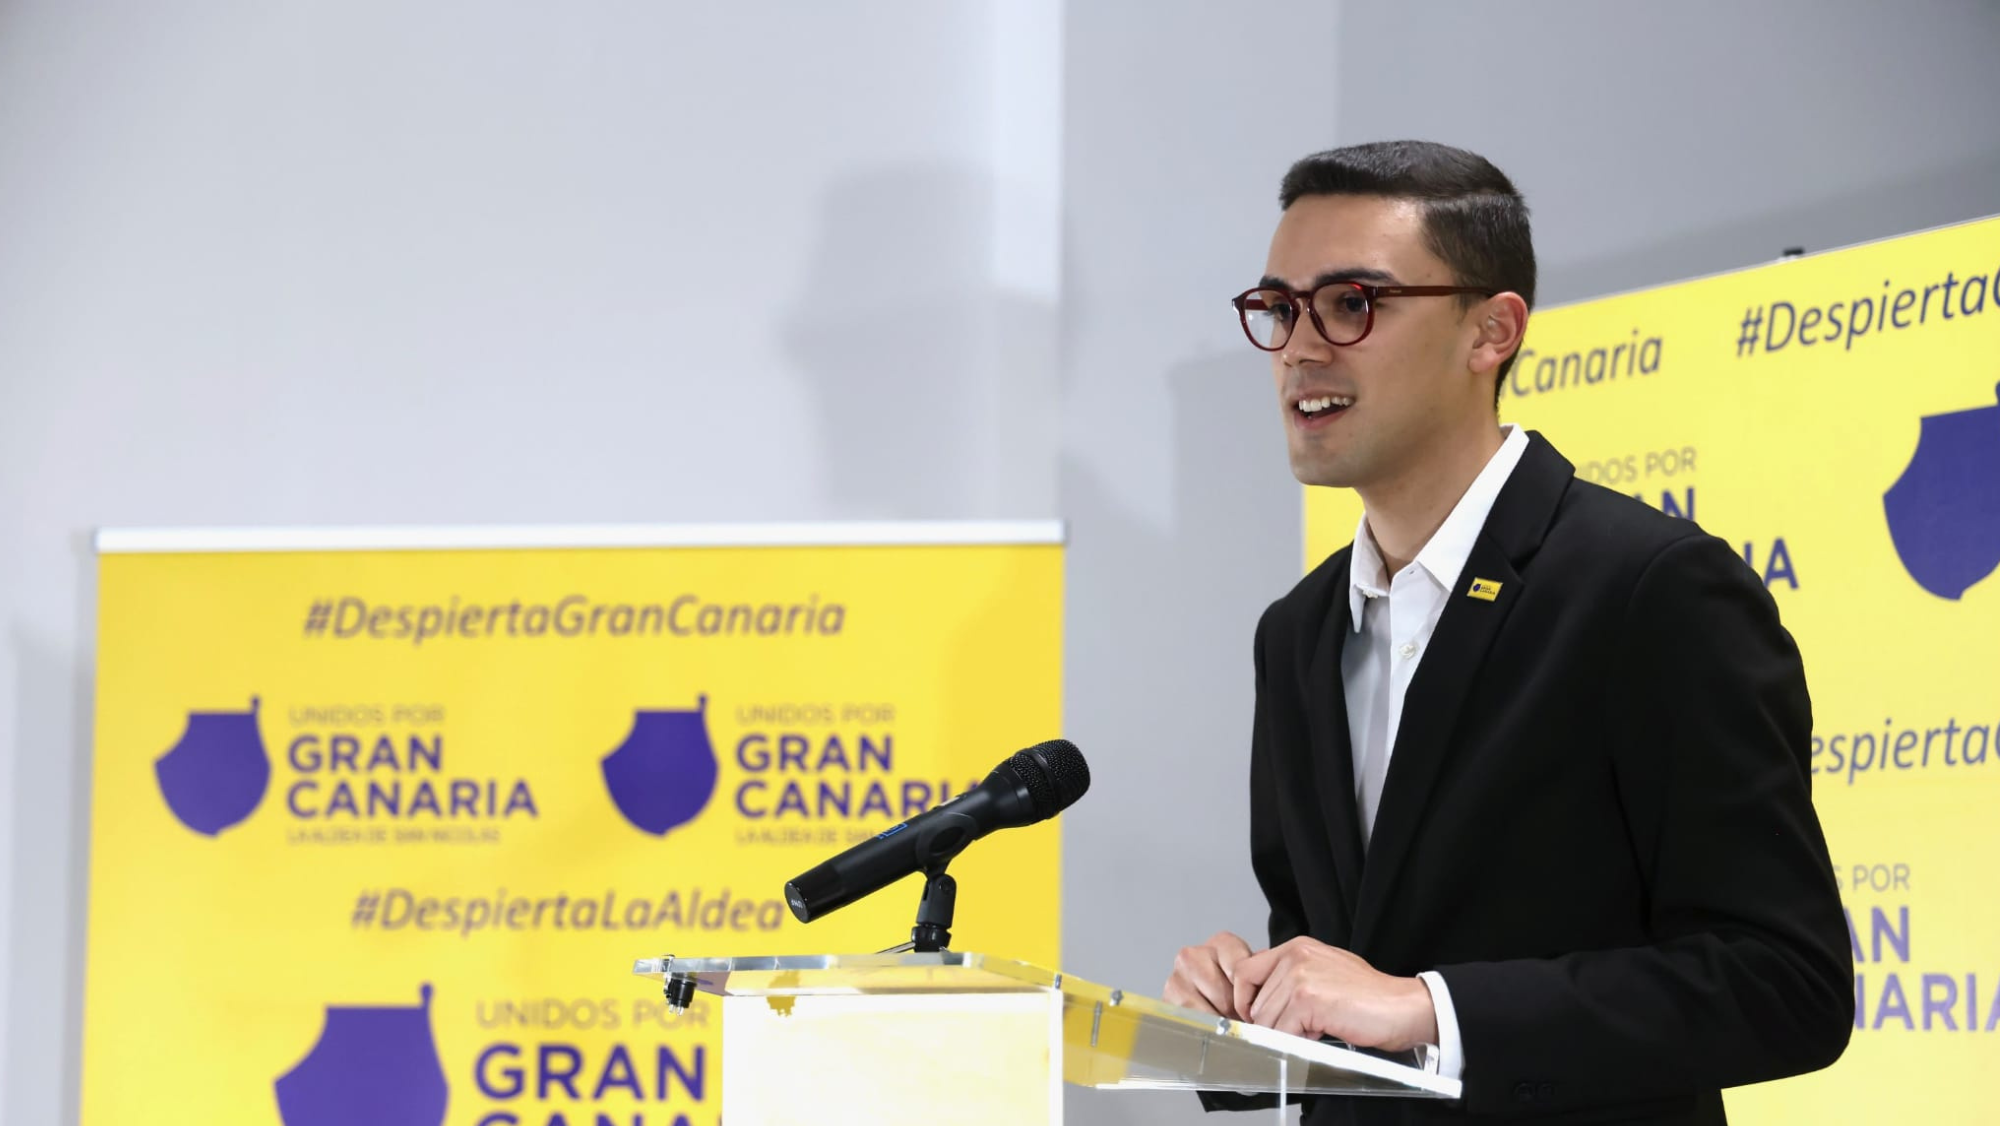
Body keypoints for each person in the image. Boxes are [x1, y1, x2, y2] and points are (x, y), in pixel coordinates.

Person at [1162, 141, 1851, 1124]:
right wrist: (1241, 1022)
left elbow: (1786, 984)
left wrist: (1427, 1007)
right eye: (1277, 309)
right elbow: (1337, 985)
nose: (1299, 348)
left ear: (1490, 331)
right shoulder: (1296, 633)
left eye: (1350, 302)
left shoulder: (1648, 589)